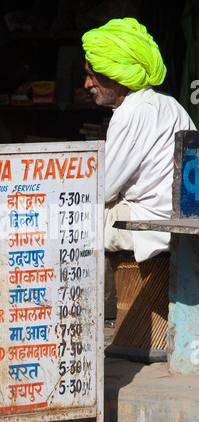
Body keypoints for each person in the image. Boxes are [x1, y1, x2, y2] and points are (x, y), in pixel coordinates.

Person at [82, 17, 196, 264]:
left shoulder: (131, 112)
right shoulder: (170, 104)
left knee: (69, 219)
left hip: (152, 224)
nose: (87, 84)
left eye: (92, 75)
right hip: (180, 219)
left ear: (115, 74)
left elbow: (103, 190)